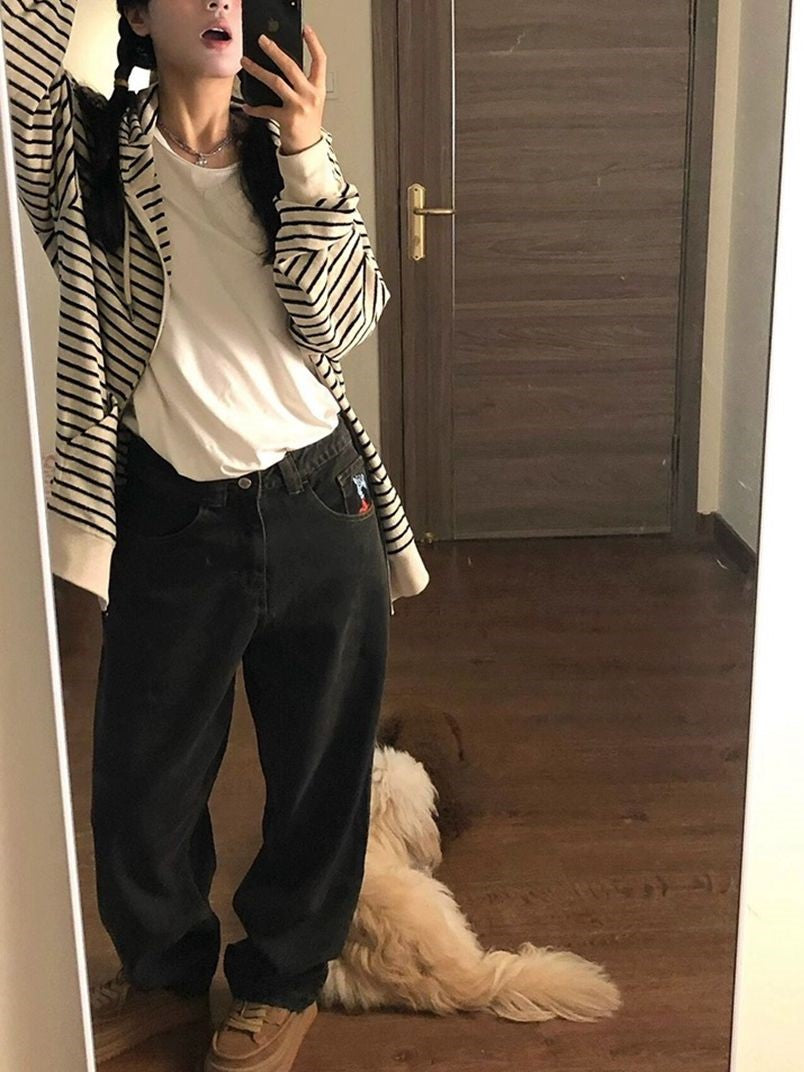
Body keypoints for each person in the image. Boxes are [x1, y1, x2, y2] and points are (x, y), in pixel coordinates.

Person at [1, 0, 430, 1069]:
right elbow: (19, 37)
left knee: (319, 769)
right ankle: (165, 977)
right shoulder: (91, 159)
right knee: (142, 785)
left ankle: (282, 981)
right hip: (172, 516)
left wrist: (309, 150)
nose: (222, 3)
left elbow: (346, 320)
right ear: (140, 13)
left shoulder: (286, 159)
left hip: (321, 506)